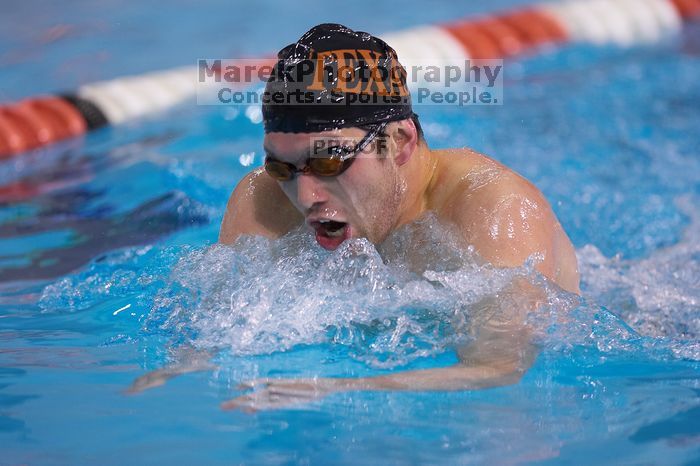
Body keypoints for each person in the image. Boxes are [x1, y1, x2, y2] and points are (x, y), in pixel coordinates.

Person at [130, 24, 580, 410]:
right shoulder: (263, 200)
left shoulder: (493, 208)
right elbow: (218, 328)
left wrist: (344, 389)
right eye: (282, 167)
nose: (304, 195)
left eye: (329, 162)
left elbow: (498, 367)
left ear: (400, 142)